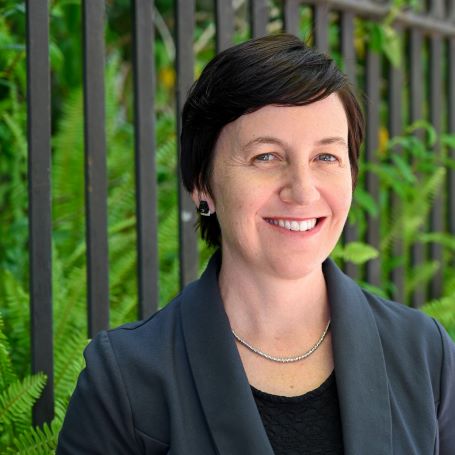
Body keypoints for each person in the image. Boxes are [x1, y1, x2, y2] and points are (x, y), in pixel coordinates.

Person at [57, 34, 455, 454]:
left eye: (326, 157)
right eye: (266, 156)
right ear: (201, 183)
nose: (302, 192)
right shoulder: (125, 380)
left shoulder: (425, 354)